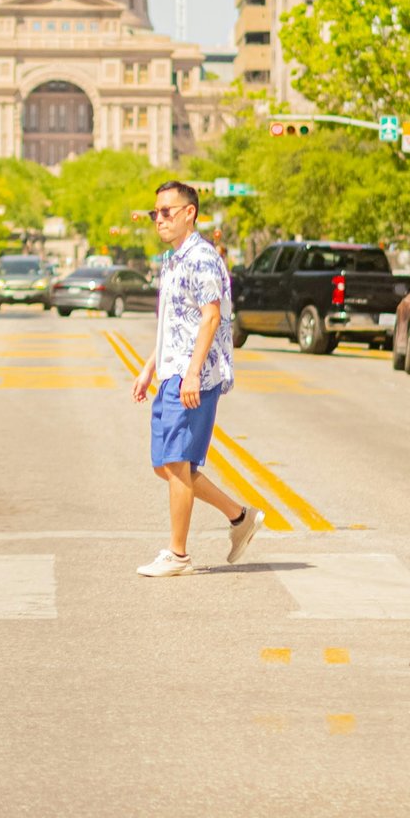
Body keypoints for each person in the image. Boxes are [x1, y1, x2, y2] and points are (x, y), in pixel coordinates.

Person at [129, 180, 260, 578]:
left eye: (166, 212)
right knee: (167, 466)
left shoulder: (201, 258)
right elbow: (175, 322)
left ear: (190, 213)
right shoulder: (173, 259)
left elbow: (211, 316)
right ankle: (240, 517)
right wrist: (150, 365)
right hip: (173, 371)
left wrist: (190, 374)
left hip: (195, 376)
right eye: (155, 213)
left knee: (176, 461)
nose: (159, 220)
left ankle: (178, 554)